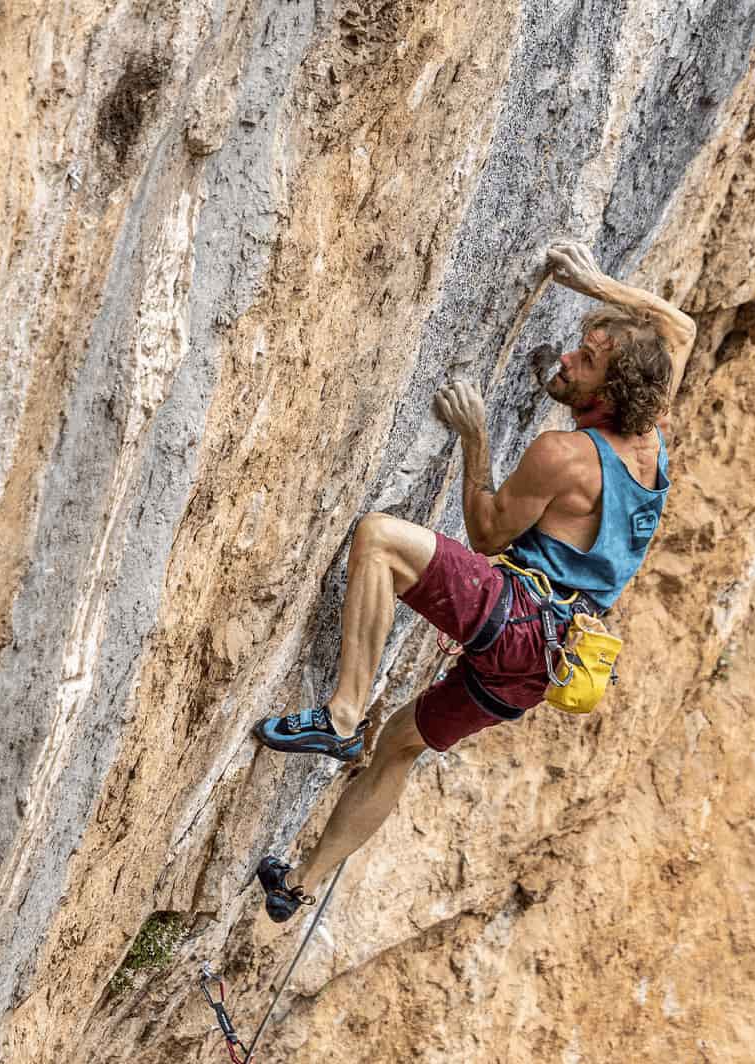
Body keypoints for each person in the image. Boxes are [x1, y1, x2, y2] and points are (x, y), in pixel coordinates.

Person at [248, 241, 696, 922]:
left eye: (587, 362)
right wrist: (595, 283)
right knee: (400, 744)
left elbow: (487, 533)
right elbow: (680, 329)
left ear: (607, 393)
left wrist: (476, 437)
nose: (569, 360)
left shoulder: (566, 455)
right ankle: (298, 884)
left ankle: (341, 716)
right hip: (551, 663)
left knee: (379, 540)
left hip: (519, 618)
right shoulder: (650, 438)